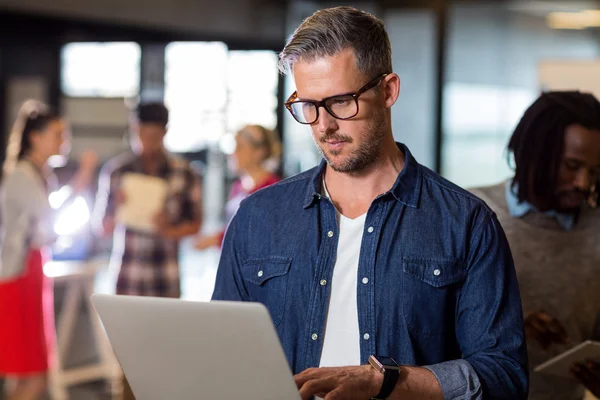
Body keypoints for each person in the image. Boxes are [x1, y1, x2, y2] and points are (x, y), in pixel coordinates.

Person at [212, 6, 527, 400]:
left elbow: (504, 376)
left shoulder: (466, 222)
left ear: (388, 90)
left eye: (341, 102)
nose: (324, 125)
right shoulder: (258, 216)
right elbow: (224, 357)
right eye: (308, 105)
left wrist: (387, 382)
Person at [470, 91, 600, 400]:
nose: (583, 183)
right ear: (534, 154)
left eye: (594, 171)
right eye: (571, 165)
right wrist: (511, 323)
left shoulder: (597, 229)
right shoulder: (473, 213)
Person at [93, 102, 202, 400]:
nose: (147, 141)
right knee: (126, 359)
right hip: (127, 279)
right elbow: (100, 227)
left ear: (164, 132)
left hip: (165, 279)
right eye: (142, 134)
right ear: (134, 130)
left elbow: (195, 224)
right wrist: (116, 208)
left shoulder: (184, 172)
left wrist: (169, 228)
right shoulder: (117, 170)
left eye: (153, 135)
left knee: (163, 358)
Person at [0, 100, 97, 400]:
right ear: (35, 137)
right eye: (57, 133)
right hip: (16, 279)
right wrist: (82, 178)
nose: (63, 141)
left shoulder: (39, 175)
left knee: (35, 374)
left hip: (30, 273)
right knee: (29, 376)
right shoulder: (22, 175)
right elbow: (48, 225)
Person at [194, 124, 280, 250]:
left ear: (259, 152)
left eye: (240, 147)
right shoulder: (238, 186)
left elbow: (259, 233)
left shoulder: (272, 188)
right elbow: (233, 227)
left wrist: (214, 240)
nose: (233, 153)